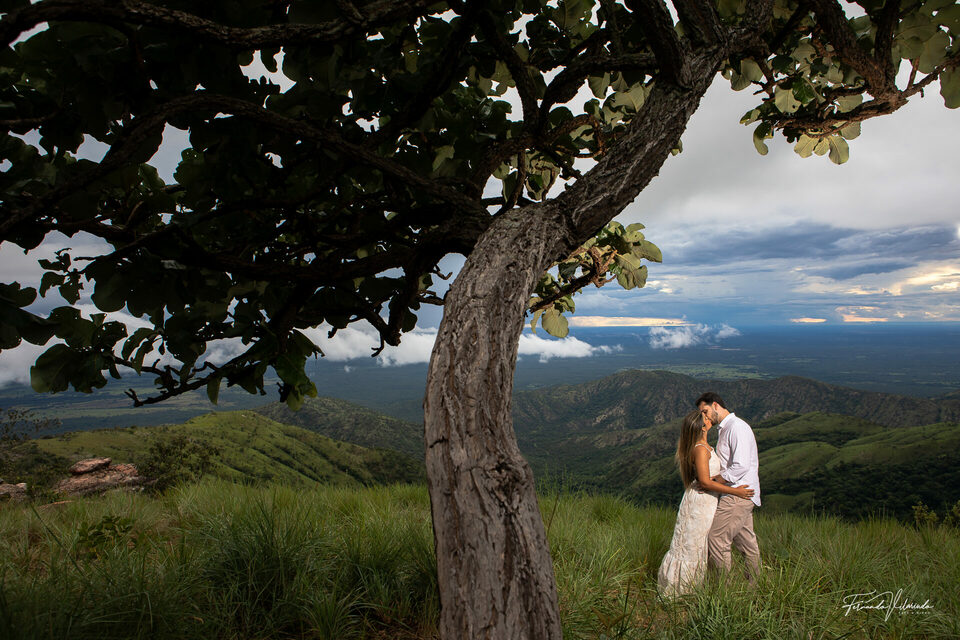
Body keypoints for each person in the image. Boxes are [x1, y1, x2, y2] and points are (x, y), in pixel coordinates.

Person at [658, 409, 754, 598]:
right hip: (701, 502)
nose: (709, 417)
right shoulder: (701, 450)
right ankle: (682, 590)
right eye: (706, 418)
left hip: (705, 501)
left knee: (696, 543)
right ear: (703, 427)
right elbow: (705, 482)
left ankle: (690, 587)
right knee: (692, 544)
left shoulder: (701, 446)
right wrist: (737, 491)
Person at [696, 391, 761, 583]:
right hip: (742, 494)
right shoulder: (726, 428)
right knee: (747, 545)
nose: (704, 417)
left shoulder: (736, 428)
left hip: (737, 495)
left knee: (716, 539)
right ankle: (754, 587)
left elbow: (740, 465)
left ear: (716, 405)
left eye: (705, 411)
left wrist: (716, 482)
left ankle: (724, 589)